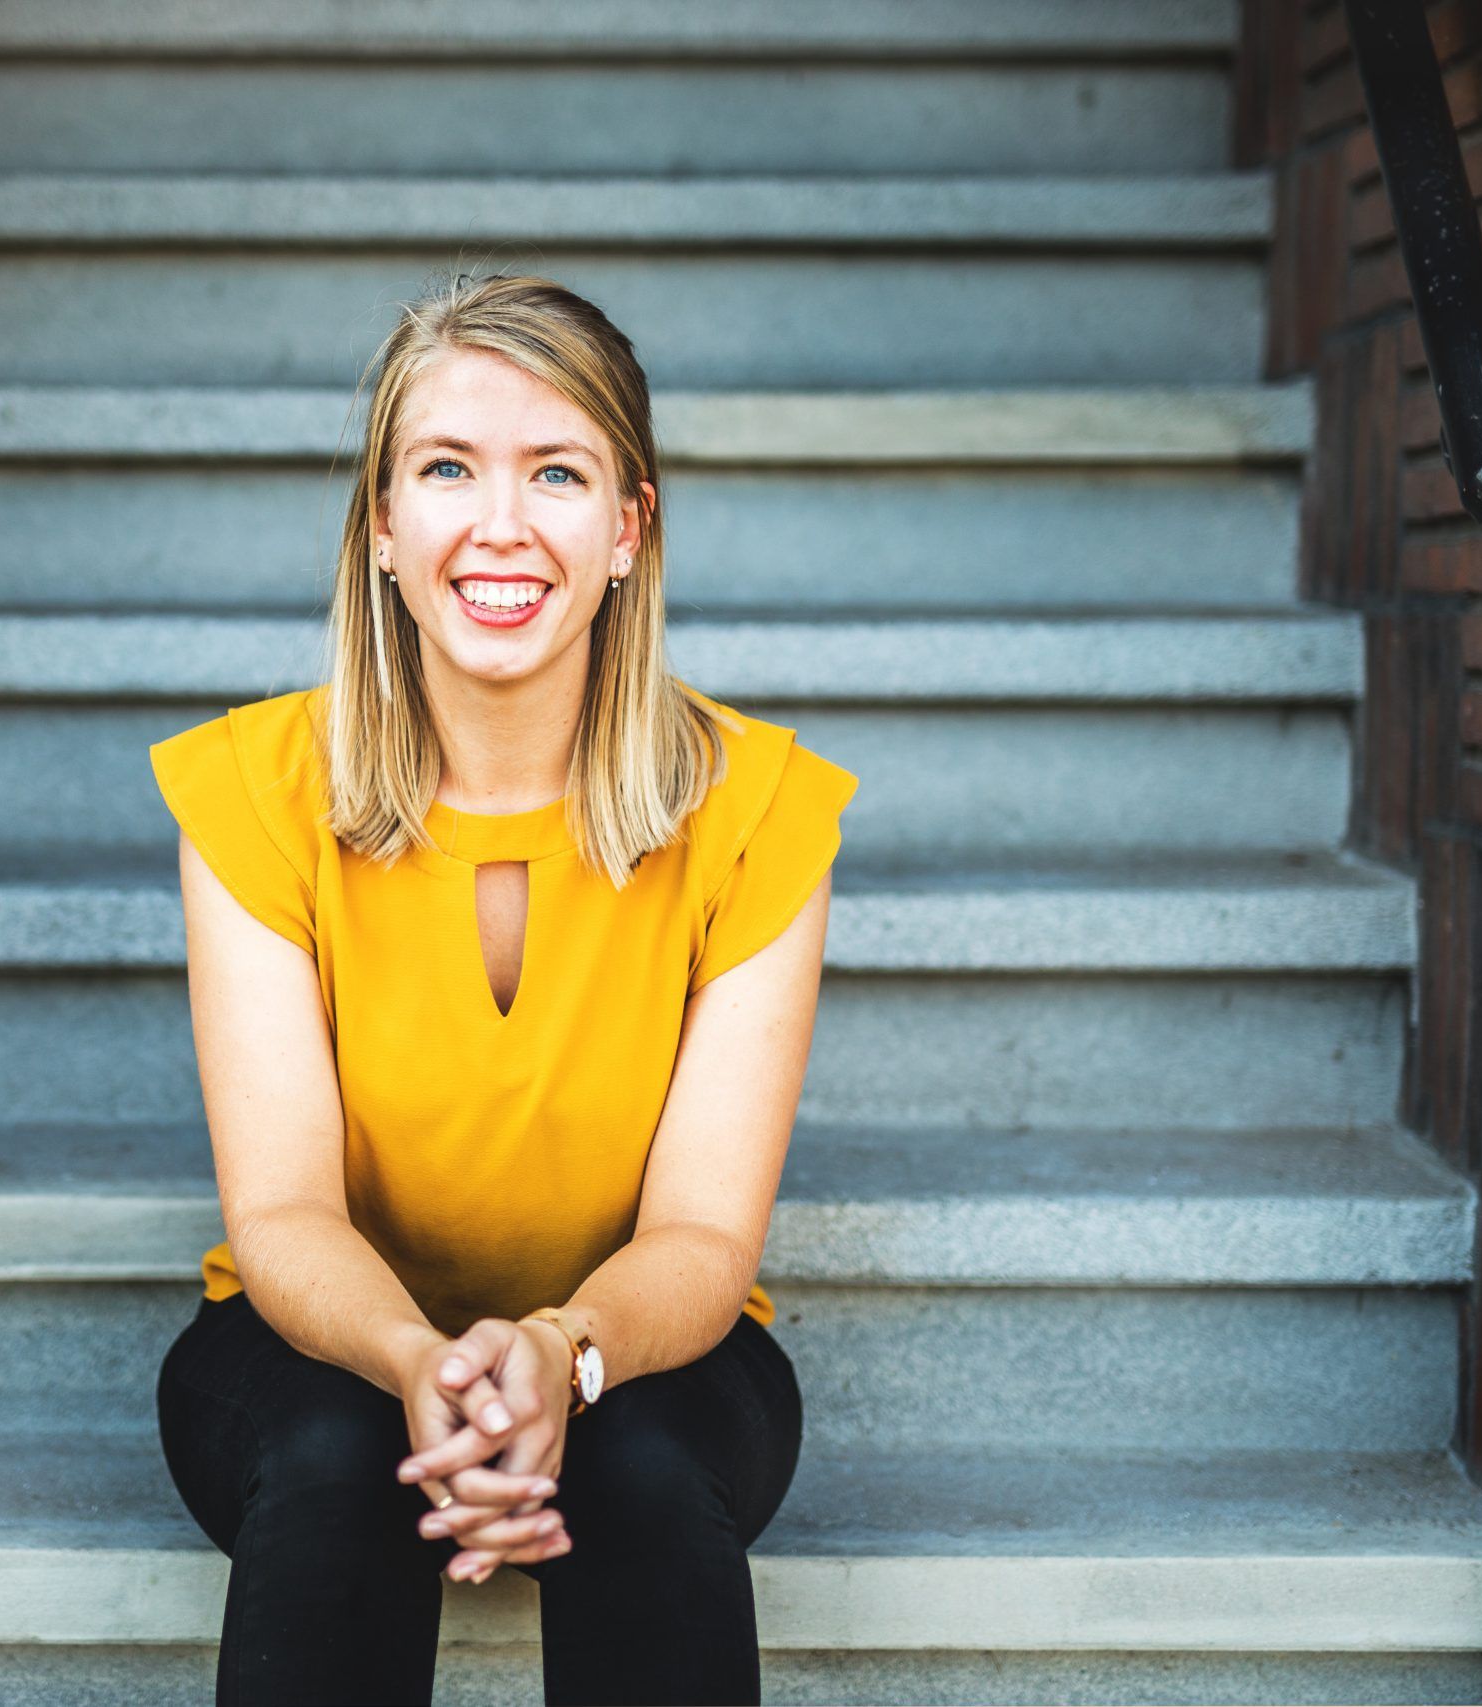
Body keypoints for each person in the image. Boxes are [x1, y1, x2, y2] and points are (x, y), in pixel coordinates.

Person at [147, 272, 858, 1707]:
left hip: (643, 1356)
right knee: (351, 1457)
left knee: (642, 1467)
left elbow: (708, 1237)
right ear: (385, 530)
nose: (502, 522)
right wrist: (419, 1361)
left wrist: (560, 1354)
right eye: (448, 468)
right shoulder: (254, 795)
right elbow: (282, 1212)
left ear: (626, 532)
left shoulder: (759, 809)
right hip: (321, 1340)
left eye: (558, 471)